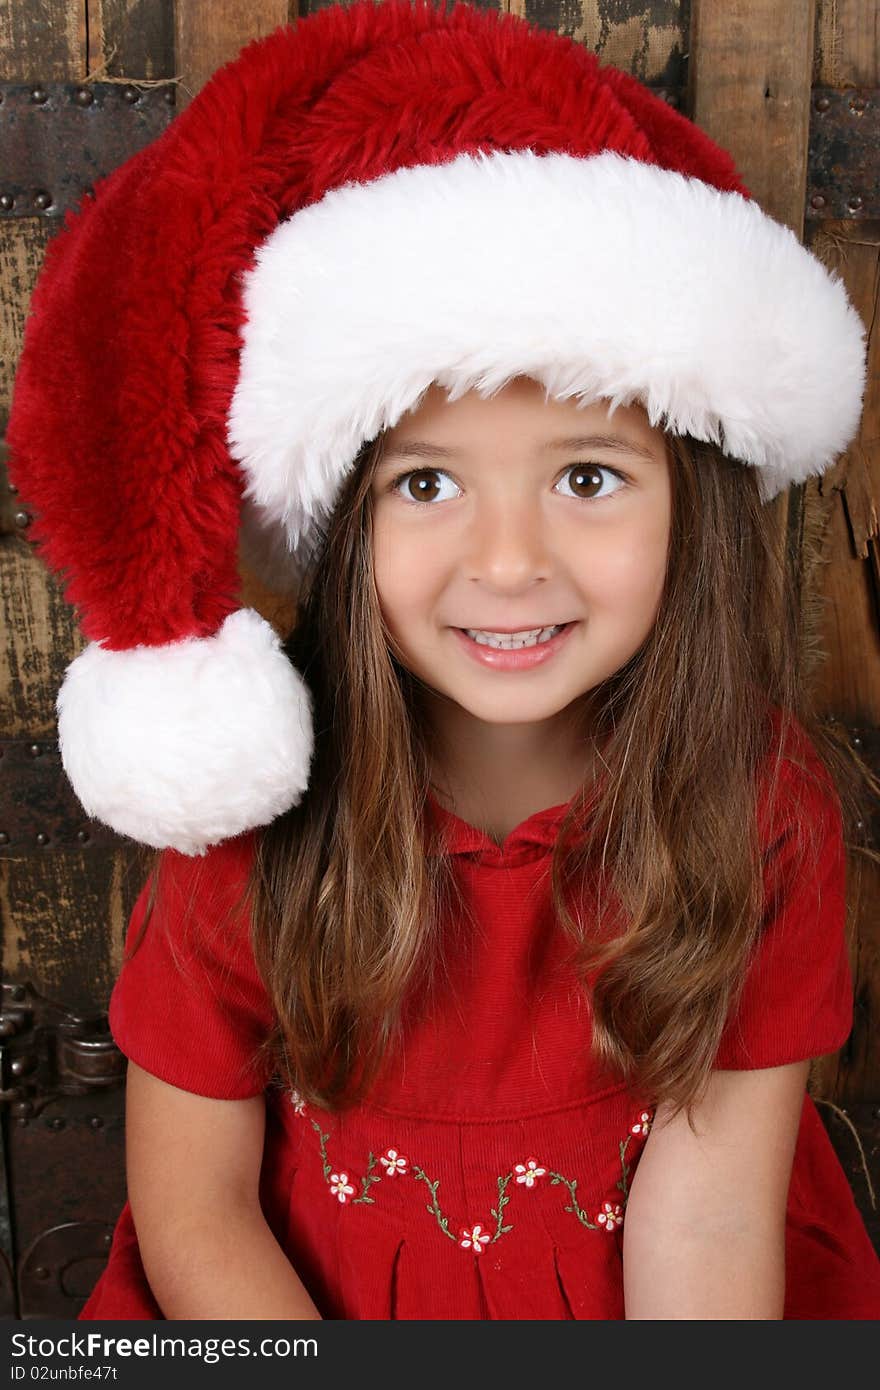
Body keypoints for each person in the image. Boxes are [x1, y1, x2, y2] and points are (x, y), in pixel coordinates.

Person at [7, 0, 880, 1320]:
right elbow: (196, 1212)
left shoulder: (755, 810)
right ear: (341, 525)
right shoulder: (251, 836)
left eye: (589, 475)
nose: (511, 559)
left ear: (693, 503)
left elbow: (704, 1216)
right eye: (427, 484)